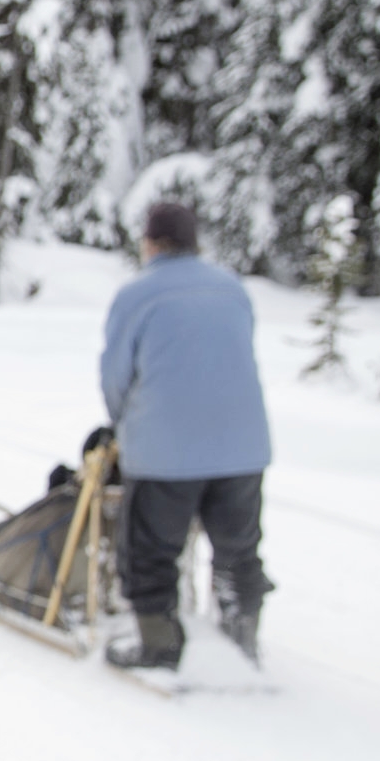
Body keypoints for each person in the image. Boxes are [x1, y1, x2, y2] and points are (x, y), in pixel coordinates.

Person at [99, 201, 277, 670]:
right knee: (239, 549)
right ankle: (242, 631)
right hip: (243, 447)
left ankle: (158, 643)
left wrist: (123, 425)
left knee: (151, 551)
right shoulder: (233, 289)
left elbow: (116, 376)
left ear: (152, 243)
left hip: (165, 451)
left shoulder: (137, 295)